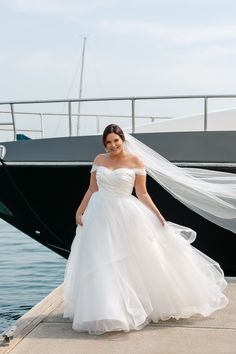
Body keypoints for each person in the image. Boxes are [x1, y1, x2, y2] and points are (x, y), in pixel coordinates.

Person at [63, 124, 228, 335]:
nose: (112, 145)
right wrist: (79, 211)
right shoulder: (99, 160)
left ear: (123, 140)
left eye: (116, 140)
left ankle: (130, 308)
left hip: (125, 212)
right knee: (100, 259)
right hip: (98, 213)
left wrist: (157, 214)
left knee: (129, 259)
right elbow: (92, 189)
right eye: (108, 142)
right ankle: (105, 310)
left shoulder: (135, 161)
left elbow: (142, 193)